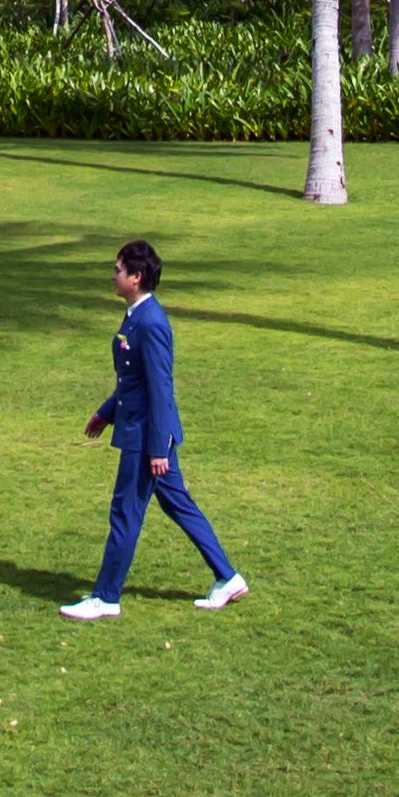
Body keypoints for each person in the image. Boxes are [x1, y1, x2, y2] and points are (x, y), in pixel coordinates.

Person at [64, 237, 243, 618]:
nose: (112, 276)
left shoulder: (151, 322)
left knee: (125, 512)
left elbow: (161, 388)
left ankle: (105, 597)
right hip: (142, 430)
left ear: (136, 277)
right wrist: (105, 413)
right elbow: (134, 381)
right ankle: (227, 577)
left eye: (118, 270)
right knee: (179, 505)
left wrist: (158, 448)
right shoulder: (136, 316)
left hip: (145, 438)